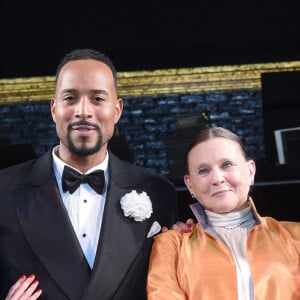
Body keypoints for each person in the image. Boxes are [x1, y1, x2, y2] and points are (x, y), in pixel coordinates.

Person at [0, 48, 178, 300]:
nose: (83, 110)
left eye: (97, 99)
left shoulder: (158, 193)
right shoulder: (4, 191)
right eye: (70, 98)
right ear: (54, 108)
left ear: (117, 110)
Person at [147, 126, 300, 300]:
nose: (217, 178)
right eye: (204, 170)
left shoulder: (294, 237)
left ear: (250, 170)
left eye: (227, 164)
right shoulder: (172, 246)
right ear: (190, 184)